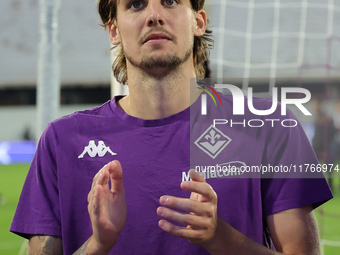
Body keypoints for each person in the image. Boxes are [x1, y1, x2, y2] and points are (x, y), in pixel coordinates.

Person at [11, 0, 333, 254]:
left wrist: (221, 238)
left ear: (198, 21)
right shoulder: (62, 140)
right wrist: (98, 245)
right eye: (135, 4)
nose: (154, 15)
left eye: (169, 0)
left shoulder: (268, 125)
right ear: (114, 31)